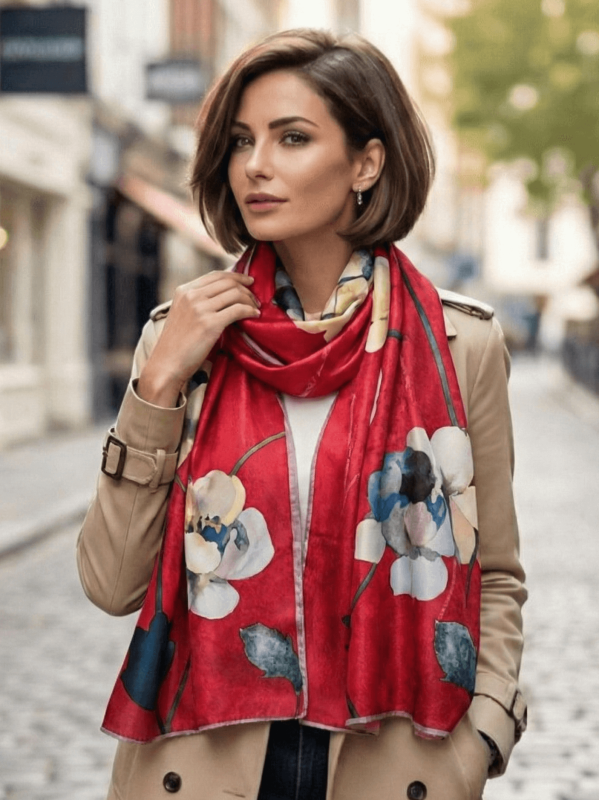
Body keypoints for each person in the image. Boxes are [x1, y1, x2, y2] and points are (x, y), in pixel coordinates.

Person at [77, 28, 526, 800]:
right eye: (241, 141)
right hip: (205, 758)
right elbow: (112, 583)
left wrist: (482, 732)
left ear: (365, 163)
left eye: (291, 138)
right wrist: (158, 384)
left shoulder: (460, 346)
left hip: (392, 762)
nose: (255, 164)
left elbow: (495, 575)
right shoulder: (184, 339)